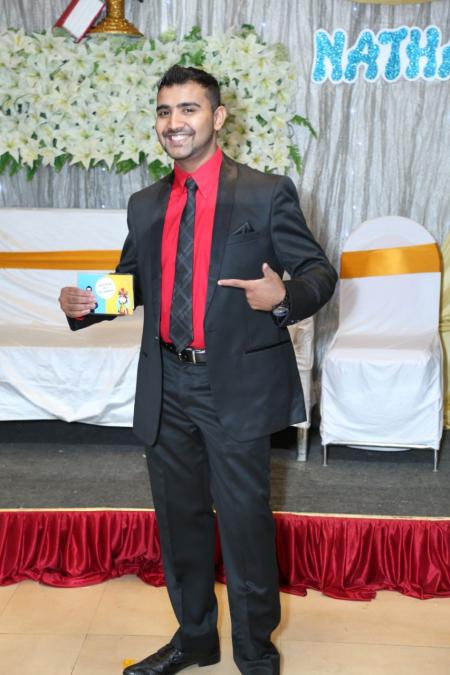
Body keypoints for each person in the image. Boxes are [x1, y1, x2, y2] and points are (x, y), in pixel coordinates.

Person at [59, 65, 337, 675]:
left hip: (233, 385)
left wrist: (285, 299)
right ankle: (195, 639)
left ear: (218, 117)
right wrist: (88, 304)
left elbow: (319, 272)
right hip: (166, 384)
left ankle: (255, 650)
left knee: (243, 525)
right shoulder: (146, 203)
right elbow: (136, 282)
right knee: (179, 523)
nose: (174, 122)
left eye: (188, 109)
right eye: (165, 111)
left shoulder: (265, 192)